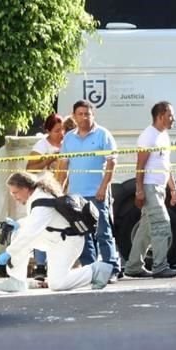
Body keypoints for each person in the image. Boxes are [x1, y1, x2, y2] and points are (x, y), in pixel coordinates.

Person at [0, 171, 114, 293]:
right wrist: (18, 224)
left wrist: (9, 252)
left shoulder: (41, 201)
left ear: (25, 188)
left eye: (15, 193)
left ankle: (96, 270)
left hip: (67, 242)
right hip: (56, 239)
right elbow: (36, 222)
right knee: (18, 233)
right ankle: (17, 281)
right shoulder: (38, 197)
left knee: (57, 283)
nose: (15, 198)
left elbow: (30, 232)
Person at [56, 100, 121, 280]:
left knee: (103, 233)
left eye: (88, 114)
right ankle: (91, 270)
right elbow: (63, 167)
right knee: (83, 234)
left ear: (93, 115)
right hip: (76, 196)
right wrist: (58, 191)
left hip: (97, 194)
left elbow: (111, 163)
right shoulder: (69, 137)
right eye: (81, 114)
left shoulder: (103, 135)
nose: (84, 117)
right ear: (74, 116)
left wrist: (103, 188)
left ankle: (111, 269)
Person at [125, 101, 176, 279]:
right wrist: (139, 190)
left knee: (146, 229)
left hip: (160, 187)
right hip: (150, 187)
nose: (173, 119)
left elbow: (166, 165)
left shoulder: (163, 136)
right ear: (161, 116)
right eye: (171, 115)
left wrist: (174, 189)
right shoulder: (148, 136)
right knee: (162, 224)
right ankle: (160, 266)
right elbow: (140, 165)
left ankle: (133, 266)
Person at [25, 113, 67, 278]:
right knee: (41, 225)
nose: (61, 134)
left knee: (59, 227)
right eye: (57, 130)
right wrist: (47, 161)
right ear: (48, 131)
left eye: (62, 130)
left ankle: (56, 264)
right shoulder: (41, 145)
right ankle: (40, 265)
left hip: (62, 190)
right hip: (44, 191)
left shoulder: (67, 144)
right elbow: (29, 168)